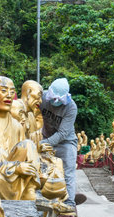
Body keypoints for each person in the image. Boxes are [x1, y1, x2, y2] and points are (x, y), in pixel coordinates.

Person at [40, 78, 81, 207]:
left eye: (59, 100)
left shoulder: (71, 107)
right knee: (42, 169)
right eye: (53, 99)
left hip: (66, 142)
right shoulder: (42, 97)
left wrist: (44, 143)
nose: (55, 102)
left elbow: (63, 133)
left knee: (68, 170)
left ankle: (70, 201)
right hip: (45, 137)